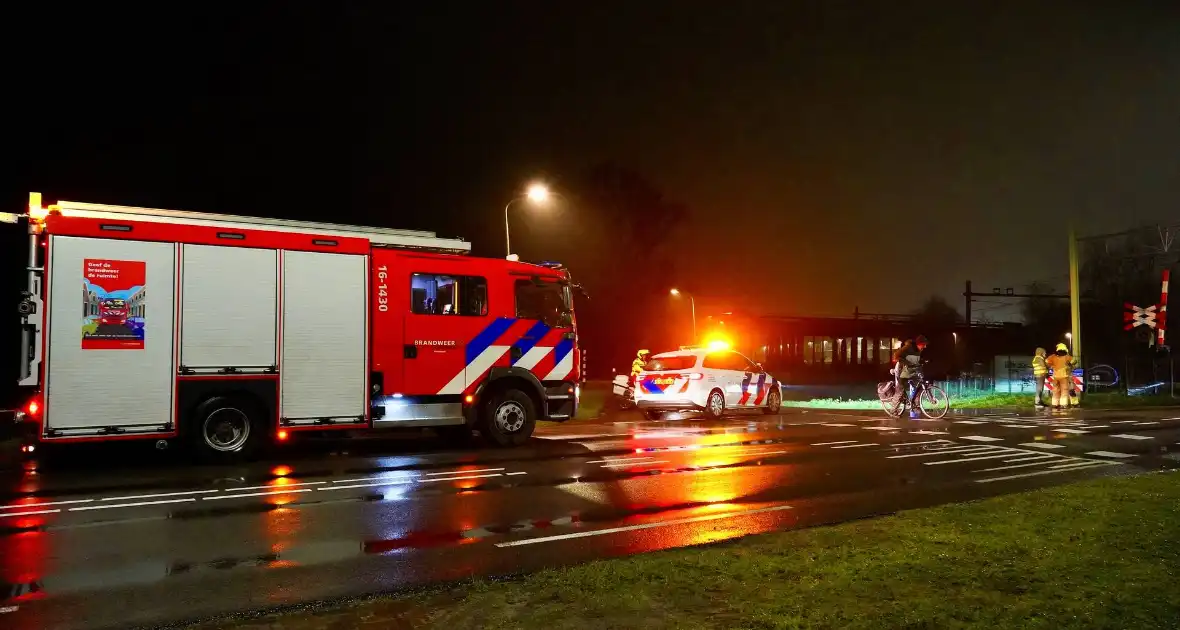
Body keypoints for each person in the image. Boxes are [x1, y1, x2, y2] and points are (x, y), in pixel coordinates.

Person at [892, 335, 928, 414]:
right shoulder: (908, 347)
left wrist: (922, 361)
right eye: (924, 344)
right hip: (901, 369)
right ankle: (894, 409)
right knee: (900, 389)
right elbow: (896, 356)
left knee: (918, 385)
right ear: (919, 344)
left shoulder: (919, 350)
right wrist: (906, 362)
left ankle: (915, 405)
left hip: (910, 370)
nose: (925, 347)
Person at [1044, 342, 1077, 410]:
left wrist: (1051, 366)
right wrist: (1070, 364)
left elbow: (1046, 362)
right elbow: (1074, 361)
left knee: (1055, 391)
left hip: (1055, 377)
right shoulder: (1067, 356)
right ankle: (1063, 404)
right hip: (1064, 376)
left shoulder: (1053, 356)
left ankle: (1055, 404)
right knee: (1064, 391)